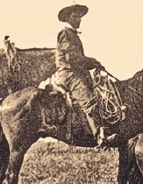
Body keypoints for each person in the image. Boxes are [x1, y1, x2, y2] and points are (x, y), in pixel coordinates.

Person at [53, 4, 116, 146]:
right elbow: (72, 58)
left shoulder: (72, 34)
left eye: (80, 17)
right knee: (90, 100)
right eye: (75, 16)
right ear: (68, 18)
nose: (79, 19)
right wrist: (92, 61)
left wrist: (93, 63)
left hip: (76, 73)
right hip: (69, 74)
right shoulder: (65, 34)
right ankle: (101, 135)